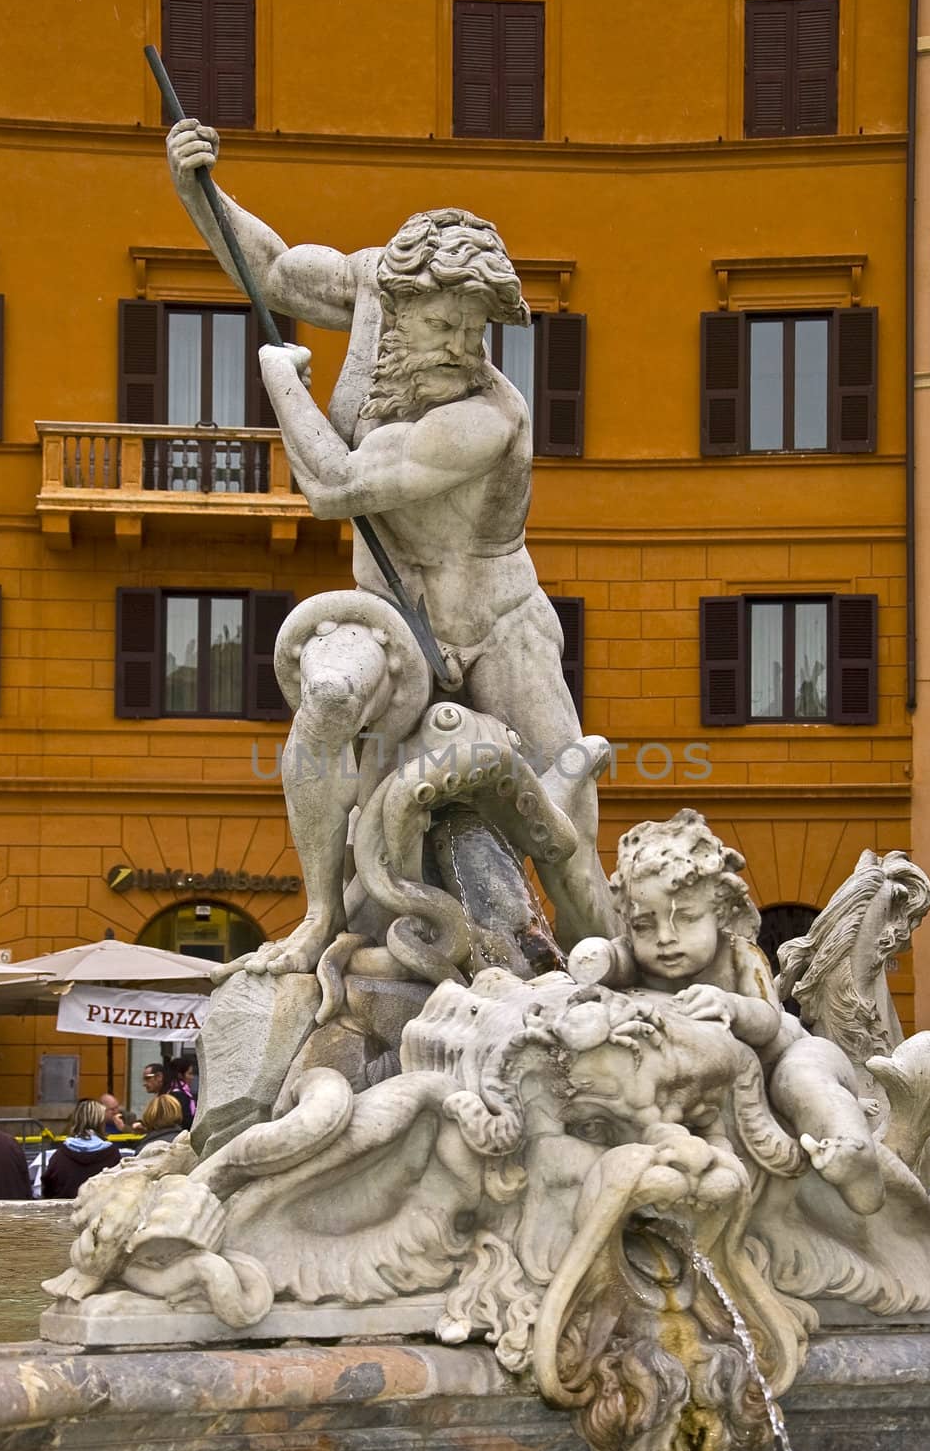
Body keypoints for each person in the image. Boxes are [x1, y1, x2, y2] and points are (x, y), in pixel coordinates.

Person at [165, 121, 617, 975]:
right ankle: (320, 915)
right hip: (388, 613)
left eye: (479, 331)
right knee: (328, 700)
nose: (464, 348)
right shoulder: (372, 283)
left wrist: (280, 384)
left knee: (562, 823)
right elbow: (269, 268)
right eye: (449, 323)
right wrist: (200, 189)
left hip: (499, 618)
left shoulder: (489, 415)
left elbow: (336, 487)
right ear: (402, 301)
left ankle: (611, 967)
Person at [570, 810, 885, 1215]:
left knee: (801, 1082)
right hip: (717, 1084)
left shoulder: (739, 954)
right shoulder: (637, 955)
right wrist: (594, 957)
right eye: (644, 925)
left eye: (685, 918)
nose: (665, 939)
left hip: (786, 1054)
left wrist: (731, 1005)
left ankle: (852, 1157)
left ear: (719, 913)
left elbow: (769, 1020)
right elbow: (612, 959)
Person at [42, 1100, 123, 1200]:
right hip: (100, 1212)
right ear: (101, 1123)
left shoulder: (60, 1155)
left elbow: (48, 1187)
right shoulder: (112, 1154)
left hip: (65, 1212)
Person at [167, 1058, 197, 1129]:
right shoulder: (179, 1095)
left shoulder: (171, 1092)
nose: (192, 1077)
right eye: (189, 1073)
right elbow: (186, 1121)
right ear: (180, 1075)